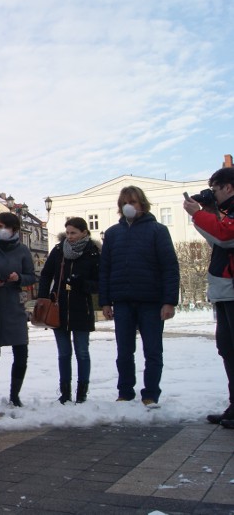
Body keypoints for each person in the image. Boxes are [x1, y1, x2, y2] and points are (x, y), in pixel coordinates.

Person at [100, 186, 179, 407]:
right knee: (124, 352)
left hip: (151, 301)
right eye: (125, 202)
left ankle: (150, 394)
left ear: (142, 204)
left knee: (153, 351)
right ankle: (125, 392)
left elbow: (170, 268)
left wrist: (169, 301)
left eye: (133, 202)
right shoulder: (113, 233)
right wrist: (105, 301)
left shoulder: (158, 230)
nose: (129, 206)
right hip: (123, 301)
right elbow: (105, 269)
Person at [184, 168, 234, 426]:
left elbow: (226, 237)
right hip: (225, 290)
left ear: (228, 187)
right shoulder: (225, 215)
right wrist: (204, 216)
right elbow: (218, 239)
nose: (211, 194)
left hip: (231, 290)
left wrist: (200, 214)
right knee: (227, 347)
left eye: (214, 190)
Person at [37, 217, 100, 405]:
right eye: (68, 233)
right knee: (64, 353)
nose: (70, 237)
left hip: (82, 308)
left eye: (74, 233)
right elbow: (46, 274)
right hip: (59, 307)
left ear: (84, 233)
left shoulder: (93, 252)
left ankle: (82, 392)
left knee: (82, 352)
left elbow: (99, 283)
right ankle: (65, 392)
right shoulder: (59, 250)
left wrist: (82, 283)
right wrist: (44, 297)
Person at [0, 212, 37, 407]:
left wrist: (17, 278)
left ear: (15, 230)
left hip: (14, 306)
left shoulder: (22, 250)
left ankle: (15, 395)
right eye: (0, 226)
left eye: (7, 227)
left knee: (21, 351)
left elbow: (31, 276)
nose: (2, 230)